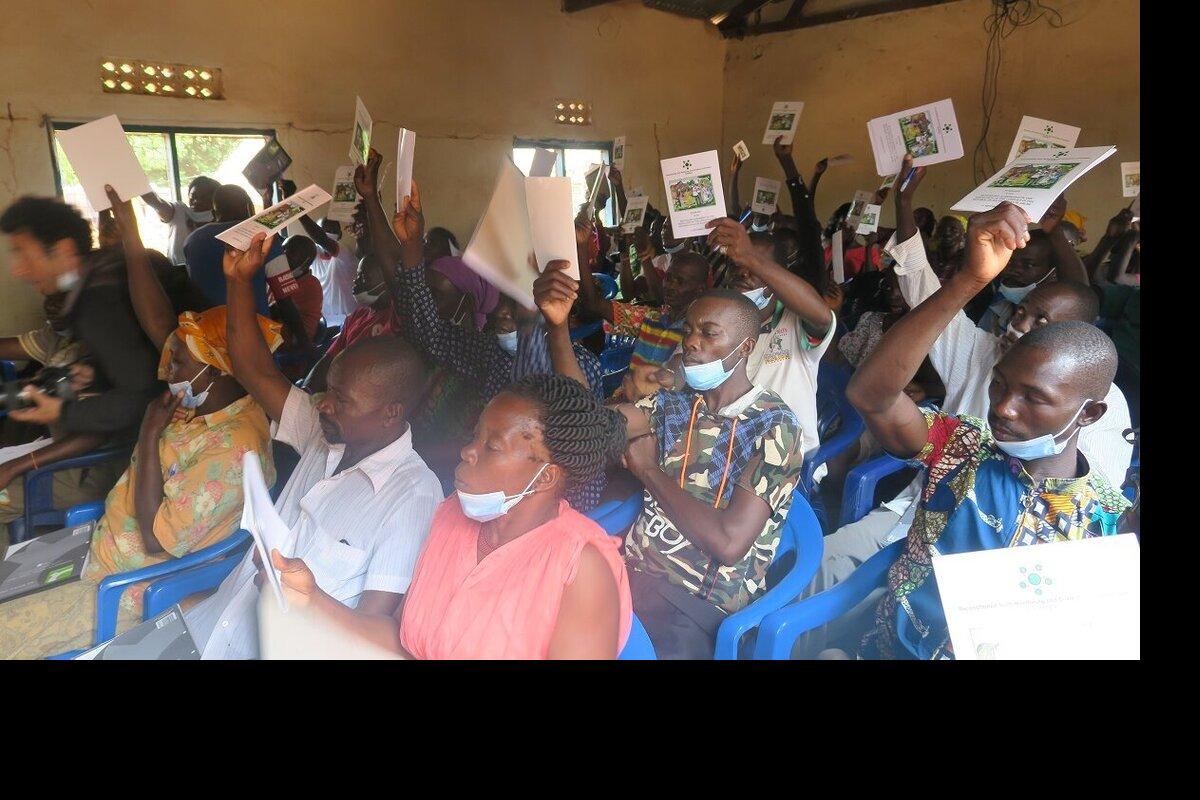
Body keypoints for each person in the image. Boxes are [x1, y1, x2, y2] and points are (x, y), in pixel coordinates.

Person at [0, 186, 283, 658]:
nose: (165, 368)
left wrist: (150, 437)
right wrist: (131, 233)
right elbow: (157, 321)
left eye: (177, 362)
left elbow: (154, 538)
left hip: (119, 589)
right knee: (6, 581)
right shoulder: (198, 402)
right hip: (100, 547)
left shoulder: (232, 449)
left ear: (216, 368)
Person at [843, 202, 1132, 659]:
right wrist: (968, 281)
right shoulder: (965, 446)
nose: (1003, 409)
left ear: (1090, 414)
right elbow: (871, 395)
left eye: (1034, 398)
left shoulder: (1106, 522)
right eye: (999, 386)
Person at [184, 231, 443, 660]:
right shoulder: (324, 433)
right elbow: (253, 370)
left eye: (341, 400)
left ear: (390, 413)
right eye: (329, 390)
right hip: (212, 624)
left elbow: (369, 634)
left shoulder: (412, 497)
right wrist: (239, 281)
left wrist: (300, 601)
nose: (323, 404)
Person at [269, 374, 633, 659]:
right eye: (475, 436)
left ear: (546, 478)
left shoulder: (580, 570)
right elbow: (404, 640)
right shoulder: (451, 515)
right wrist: (313, 599)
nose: (468, 451)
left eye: (492, 446)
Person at [613, 289, 804, 658]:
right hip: (631, 574)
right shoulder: (674, 404)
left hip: (694, 604)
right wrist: (558, 329)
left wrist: (648, 470)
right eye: (688, 331)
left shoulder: (774, 426)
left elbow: (728, 544)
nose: (691, 342)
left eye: (709, 333)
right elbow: (597, 428)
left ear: (746, 347)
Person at [1, 197, 162, 475]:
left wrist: (62, 413)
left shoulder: (97, 302)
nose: (18, 270)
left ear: (63, 250)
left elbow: (142, 396)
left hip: (121, 461)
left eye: (23, 254)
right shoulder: (105, 273)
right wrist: (94, 372)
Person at [708, 217, 834, 458]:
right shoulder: (721, 321)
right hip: (727, 446)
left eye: (755, 266)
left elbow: (822, 318)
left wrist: (750, 257)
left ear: (777, 274)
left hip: (785, 457)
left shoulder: (795, 323)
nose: (743, 272)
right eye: (737, 264)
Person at [183, 184, 282, 315]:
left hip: (206, 323)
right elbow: (284, 291)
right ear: (249, 207)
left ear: (213, 213)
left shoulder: (192, 240)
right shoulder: (262, 237)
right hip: (254, 322)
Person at [140, 176, 220, 266]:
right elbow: (154, 201)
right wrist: (137, 182)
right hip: (177, 271)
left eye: (204, 198)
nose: (196, 201)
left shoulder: (222, 217)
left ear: (216, 199)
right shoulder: (179, 211)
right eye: (193, 196)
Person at [304, 218, 358, 328]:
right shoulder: (313, 253)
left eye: (333, 231)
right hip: (325, 324)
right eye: (323, 230)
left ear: (340, 235)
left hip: (349, 322)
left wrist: (300, 213)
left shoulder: (345, 252)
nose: (329, 234)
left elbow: (322, 240)